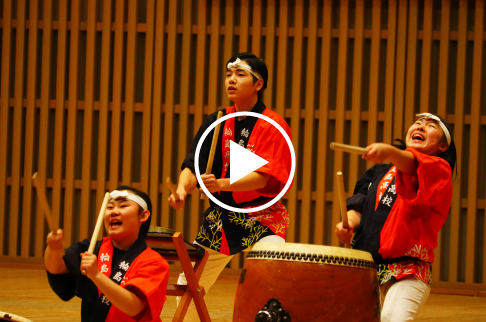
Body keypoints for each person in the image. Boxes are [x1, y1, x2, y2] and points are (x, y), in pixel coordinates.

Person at [168, 52, 292, 321]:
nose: (231, 80)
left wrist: (220, 183)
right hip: (222, 217)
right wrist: (182, 189)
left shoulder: (273, 124)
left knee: (272, 271)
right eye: (228, 74)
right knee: (189, 285)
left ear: (259, 84)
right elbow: (193, 165)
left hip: (263, 215)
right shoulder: (216, 120)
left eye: (240, 74)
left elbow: (264, 177)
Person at [335, 113, 457, 322]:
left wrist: (390, 151)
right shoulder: (381, 170)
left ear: (443, 146)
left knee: (393, 319)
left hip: (407, 269)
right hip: (368, 267)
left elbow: (413, 166)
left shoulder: (439, 170)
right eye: (418, 123)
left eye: (430, 125)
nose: (421, 126)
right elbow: (361, 203)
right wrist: (348, 224)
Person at [45, 186, 170, 322]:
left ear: (143, 215)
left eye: (123, 206)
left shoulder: (154, 262)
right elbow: (56, 269)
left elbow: (134, 307)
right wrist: (53, 249)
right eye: (110, 207)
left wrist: (96, 275)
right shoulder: (92, 250)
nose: (114, 212)